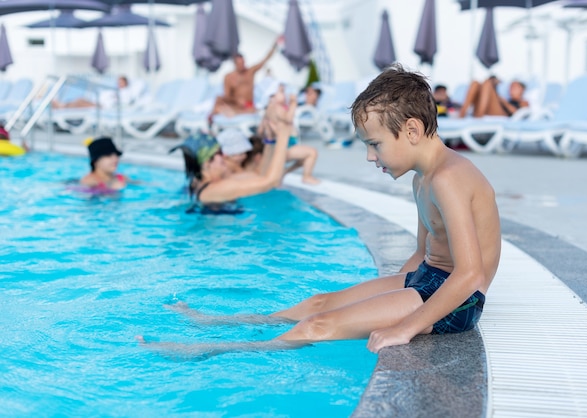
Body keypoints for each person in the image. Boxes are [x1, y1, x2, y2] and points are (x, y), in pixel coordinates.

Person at [137, 64, 501, 359]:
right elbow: (423, 256)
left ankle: (212, 352)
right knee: (319, 304)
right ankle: (220, 323)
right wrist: (381, 302)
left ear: (411, 130)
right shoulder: (423, 178)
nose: (370, 157)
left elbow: (470, 274)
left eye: (375, 144)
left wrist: (404, 325)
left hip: (458, 300)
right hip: (427, 280)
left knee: (319, 326)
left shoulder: (448, 179)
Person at [169, 113, 292, 209]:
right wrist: (283, 135)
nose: (224, 156)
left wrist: (270, 140)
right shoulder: (216, 189)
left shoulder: (211, 181)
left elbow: (260, 175)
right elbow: (270, 182)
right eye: (219, 153)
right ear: (206, 163)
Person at [257, 82, 320, 185]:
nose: (286, 94)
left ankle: (283, 172)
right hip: (283, 147)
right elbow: (289, 118)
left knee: (302, 159)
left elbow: (260, 130)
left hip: (278, 145)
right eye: (282, 91)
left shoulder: (269, 109)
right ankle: (306, 177)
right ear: (272, 96)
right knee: (312, 153)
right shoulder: (276, 108)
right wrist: (293, 103)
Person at [208, 39, 280, 121]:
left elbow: (264, 60)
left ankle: (231, 113)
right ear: (235, 64)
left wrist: (275, 45)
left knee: (251, 109)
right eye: (240, 64)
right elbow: (227, 96)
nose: (243, 65)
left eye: (243, 63)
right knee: (218, 99)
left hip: (248, 106)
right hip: (236, 104)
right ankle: (212, 121)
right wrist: (237, 100)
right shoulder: (229, 77)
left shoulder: (250, 72)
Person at [459, 76, 529, 118]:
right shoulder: (507, 99)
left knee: (487, 83)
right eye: (511, 86)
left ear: (522, 90)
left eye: (514, 87)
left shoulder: (524, 102)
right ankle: (462, 114)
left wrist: (503, 101)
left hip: (503, 114)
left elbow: (516, 113)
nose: (511, 89)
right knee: (475, 83)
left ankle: (479, 116)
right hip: (491, 108)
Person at [53, 76, 138, 110]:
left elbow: (124, 103)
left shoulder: (126, 92)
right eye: (118, 82)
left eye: (121, 82)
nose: (119, 84)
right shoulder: (115, 90)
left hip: (104, 107)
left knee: (79, 101)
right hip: (100, 103)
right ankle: (62, 106)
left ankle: (61, 106)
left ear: (126, 83)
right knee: (79, 100)